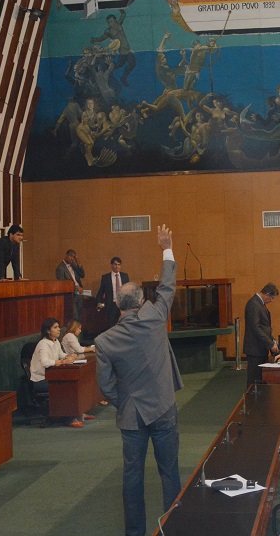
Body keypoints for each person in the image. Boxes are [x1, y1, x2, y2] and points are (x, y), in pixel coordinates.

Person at [96, 224, 183, 536]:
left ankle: (135, 533)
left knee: (132, 478)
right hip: (163, 408)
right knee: (169, 473)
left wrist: (124, 403)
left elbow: (106, 386)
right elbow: (168, 286)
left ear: (118, 305)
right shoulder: (155, 317)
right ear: (142, 301)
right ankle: (172, 528)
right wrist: (166, 247)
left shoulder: (104, 341)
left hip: (131, 416)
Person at [30, 318, 90, 427]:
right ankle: (69, 418)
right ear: (48, 330)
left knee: (77, 383)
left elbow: (60, 354)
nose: (59, 329)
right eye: (55, 327)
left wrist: (69, 356)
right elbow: (45, 362)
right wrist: (63, 361)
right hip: (41, 380)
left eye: (58, 327)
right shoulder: (43, 344)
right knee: (68, 386)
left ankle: (79, 412)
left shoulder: (55, 341)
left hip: (52, 377)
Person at [243, 282, 279, 388]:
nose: (272, 301)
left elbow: (264, 327)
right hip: (255, 348)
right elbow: (255, 328)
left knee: (259, 378)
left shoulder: (259, 303)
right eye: (272, 298)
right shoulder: (253, 304)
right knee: (254, 380)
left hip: (260, 347)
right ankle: (251, 398)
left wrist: (272, 341)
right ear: (267, 294)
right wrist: (270, 344)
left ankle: (258, 397)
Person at [96, 257, 130, 326]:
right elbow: (101, 291)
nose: (117, 266)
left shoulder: (125, 276)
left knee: (123, 324)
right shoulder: (106, 277)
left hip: (122, 305)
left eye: (119, 264)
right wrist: (99, 303)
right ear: (111, 265)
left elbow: (128, 291)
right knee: (111, 325)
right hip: (111, 305)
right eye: (115, 264)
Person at [56, 249, 86, 321]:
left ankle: (79, 328)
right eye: (70, 256)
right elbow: (62, 283)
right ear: (66, 255)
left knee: (80, 316)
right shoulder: (60, 268)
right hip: (71, 295)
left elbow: (82, 275)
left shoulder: (74, 265)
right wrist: (75, 287)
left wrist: (79, 264)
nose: (72, 258)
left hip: (79, 293)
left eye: (73, 257)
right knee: (74, 317)